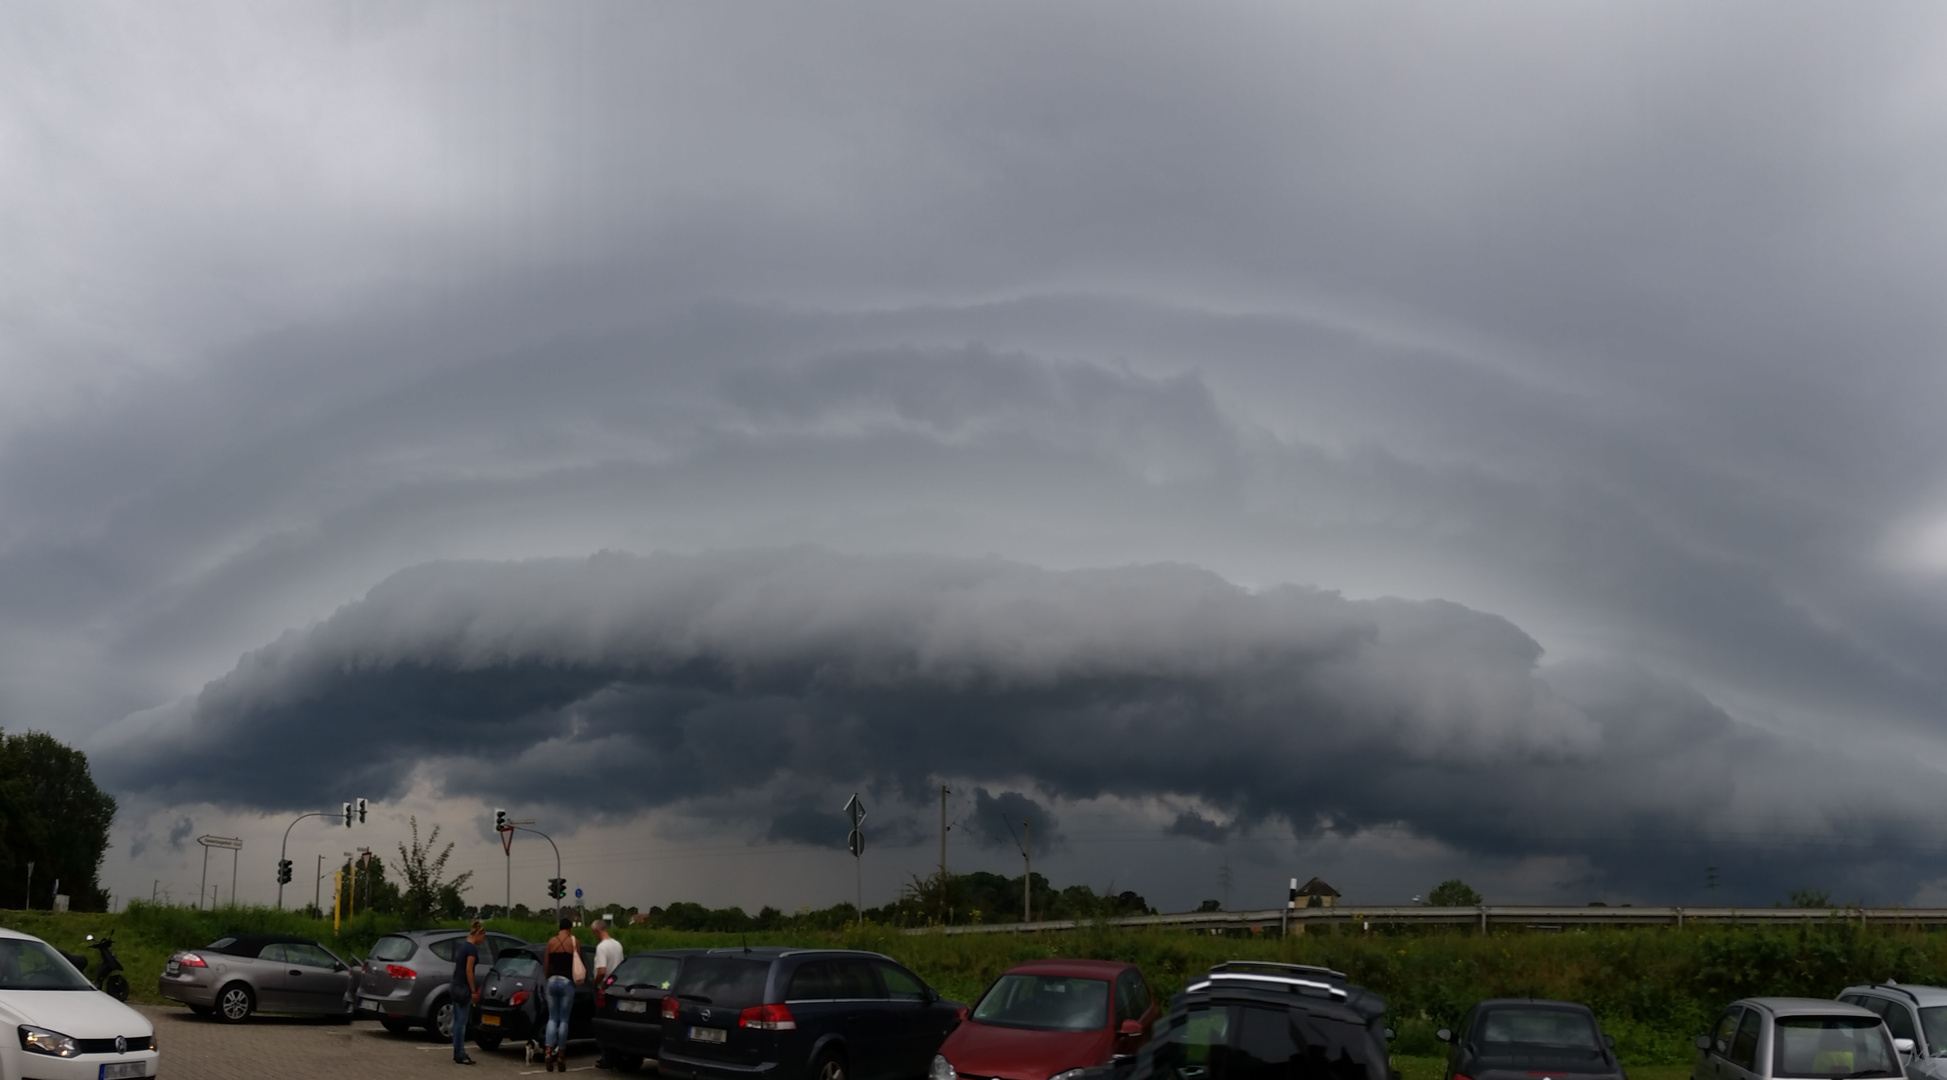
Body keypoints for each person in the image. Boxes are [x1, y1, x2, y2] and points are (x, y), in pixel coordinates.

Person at [542, 916, 582, 1072]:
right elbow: (577, 962)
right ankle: (561, 1056)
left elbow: (546, 964)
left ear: (559, 928)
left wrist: (548, 977)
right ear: (570, 928)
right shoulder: (574, 942)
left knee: (552, 1018)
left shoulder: (551, 942)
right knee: (564, 1020)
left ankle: (547, 1052)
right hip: (566, 982)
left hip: (552, 981)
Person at [591, 919, 625, 1070]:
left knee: (602, 1023)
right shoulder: (617, 945)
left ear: (597, 931)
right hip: (616, 987)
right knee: (614, 1024)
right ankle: (617, 1056)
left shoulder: (601, 947)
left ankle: (606, 1058)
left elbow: (602, 970)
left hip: (603, 989)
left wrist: (596, 983)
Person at [450, 921, 485, 1066]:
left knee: (457, 1022)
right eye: (483, 936)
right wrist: (473, 990)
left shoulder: (463, 947)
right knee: (462, 1023)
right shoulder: (471, 950)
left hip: (455, 985)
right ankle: (460, 1053)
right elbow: (469, 970)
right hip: (464, 989)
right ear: (477, 934)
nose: (483, 940)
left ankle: (457, 1051)